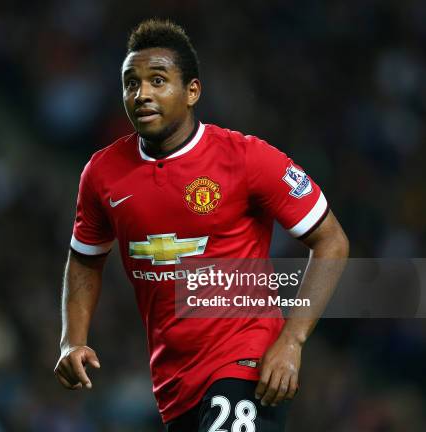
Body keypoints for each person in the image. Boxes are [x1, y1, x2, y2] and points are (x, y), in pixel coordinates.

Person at [54, 19, 349, 431]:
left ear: (192, 91)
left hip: (247, 364)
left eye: (158, 80)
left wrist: (292, 341)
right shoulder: (102, 174)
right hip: (174, 384)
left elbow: (331, 240)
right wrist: (73, 338)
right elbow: (85, 260)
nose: (142, 94)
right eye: (131, 83)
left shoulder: (246, 159)